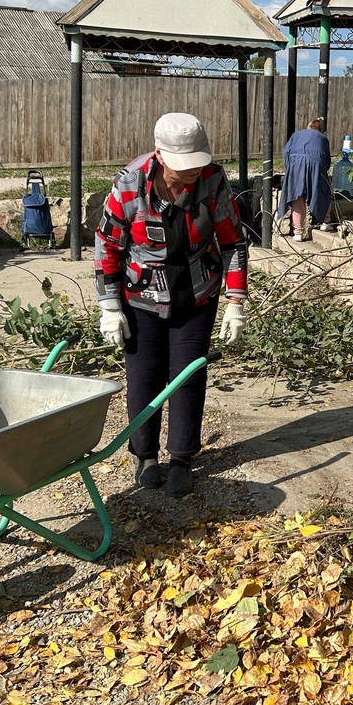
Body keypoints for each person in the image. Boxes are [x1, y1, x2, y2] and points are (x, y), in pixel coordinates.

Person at [95, 112, 249, 498]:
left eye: (196, 165)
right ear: (161, 156)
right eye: (183, 168)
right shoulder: (129, 185)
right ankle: (145, 456)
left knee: (187, 376)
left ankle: (181, 457)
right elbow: (108, 246)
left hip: (197, 292)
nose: (191, 175)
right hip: (141, 297)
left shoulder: (212, 180)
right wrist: (109, 305)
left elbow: (232, 242)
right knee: (144, 377)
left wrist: (236, 302)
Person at [281, 117, 332, 241]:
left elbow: (286, 152)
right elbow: (327, 161)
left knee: (297, 197)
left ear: (308, 127)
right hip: (316, 163)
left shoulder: (297, 134)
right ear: (320, 130)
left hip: (296, 162)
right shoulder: (323, 138)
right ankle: (325, 222)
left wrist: (290, 170)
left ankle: (298, 232)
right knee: (322, 191)